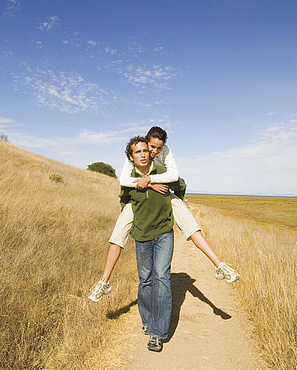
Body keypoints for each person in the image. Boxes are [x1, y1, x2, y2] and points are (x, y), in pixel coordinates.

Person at [89, 127, 239, 303]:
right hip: (138, 198)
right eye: (151, 147)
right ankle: (104, 282)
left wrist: (151, 179)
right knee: (118, 234)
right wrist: (150, 184)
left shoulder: (165, 152)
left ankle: (219, 265)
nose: (153, 152)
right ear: (146, 142)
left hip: (164, 194)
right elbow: (124, 180)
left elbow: (174, 175)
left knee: (190, 224)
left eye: (158, 148)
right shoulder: (137, 150)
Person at [118, 136, 178, 351]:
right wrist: (145, 183)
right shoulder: (129, 179)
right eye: (138, 152)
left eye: (146, 150)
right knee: (145, 280)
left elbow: (177, 179)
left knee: (161, 277)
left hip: (164, 234)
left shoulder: (163, 172)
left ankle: (157, 332)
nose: (143, 154)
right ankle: (147, 319)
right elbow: (122, 194)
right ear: (131, 157)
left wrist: (151, 180)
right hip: (142, 236)